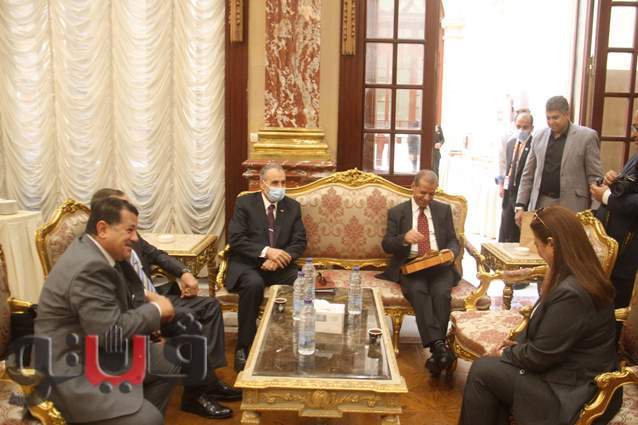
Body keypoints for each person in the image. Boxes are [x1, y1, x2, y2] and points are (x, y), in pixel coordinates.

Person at [459, 206, 620, 425]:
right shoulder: (576, 273)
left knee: (483, 371)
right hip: (565, 371)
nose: (537, 250)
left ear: (552, 244)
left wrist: (506, 352)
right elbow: (548, 336)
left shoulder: (572, 293)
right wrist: (514, 347)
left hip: (573, 390)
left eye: (537, 244)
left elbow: (540, 356)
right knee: (492, 372)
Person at [90, 189, 239, 419]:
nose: (131, 212)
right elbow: (121, 294)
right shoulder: (105, 250)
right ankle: (195, 395)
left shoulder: (132, 237)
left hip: (157, 296)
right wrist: (153, 305)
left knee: (210, 306)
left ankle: (207, 380)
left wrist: (185, 272)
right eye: (125, 208)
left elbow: (158, 255)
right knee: (187, 321)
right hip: (140, 306)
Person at [35, 197, 179, 425]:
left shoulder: (96, 249)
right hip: (73, 369)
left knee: (170, 360)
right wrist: (155, 310)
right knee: (149, 419)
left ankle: (129, 410)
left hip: (97, 349)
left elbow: (115, 298)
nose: (135, 238)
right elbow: (110, 332)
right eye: (129, 230)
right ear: (102, 229)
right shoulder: (89, 266)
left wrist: (148, 300)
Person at [377, 169, 460, 376]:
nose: (427, 198)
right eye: (423, 192)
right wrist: (404, 238)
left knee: (441, 294)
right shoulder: (398, 212)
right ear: (412, 187)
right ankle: (440, 348)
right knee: (418, 291)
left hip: (439, 265)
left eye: (432, 193)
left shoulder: (443, 210)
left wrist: (451, 252)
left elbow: (453, 239)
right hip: (411, 266)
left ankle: (437, 350)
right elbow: (387, 245)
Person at [226, 163, 307, 372]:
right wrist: (267, 251)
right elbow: (236, 239)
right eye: (275, 183)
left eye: (283, 182)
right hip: (248, 263)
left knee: (303, 283)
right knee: (253, 284)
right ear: (262, 184)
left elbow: (299, 242)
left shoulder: (292, 207)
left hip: (280, 265)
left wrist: (279, 258)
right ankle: (244, 347)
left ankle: (293, 343)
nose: (280, 187)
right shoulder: (245, 203)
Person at [515, 96, 602, 225]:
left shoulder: (587, 137)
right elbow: (528, 174)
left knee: (567, 238)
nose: (551, 122)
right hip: (541, 204)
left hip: (571, 205)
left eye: (555, 117)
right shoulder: (538, 136)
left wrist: (595, 210)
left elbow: (594, 176)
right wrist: (520, 205)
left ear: (567, 114)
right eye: (548, 118)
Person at [590, 109, 638, 311]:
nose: (633, 134)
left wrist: (606, 197)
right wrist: (611, 180)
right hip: (614, 247)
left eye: (637, 128)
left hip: (629, 251)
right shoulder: (635, 156)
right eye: (634, 127)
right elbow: (627, 188)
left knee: (617, 309)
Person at [498, 112, 534, 242]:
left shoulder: (534, 145)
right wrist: (501, 185)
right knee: (505, 230)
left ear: (531, 128)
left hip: (523, 195)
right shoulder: (511, 143)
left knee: (518, 234)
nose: (521, 130)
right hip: (509, 193)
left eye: (525, 127)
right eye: (518, 126)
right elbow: (505, 166)